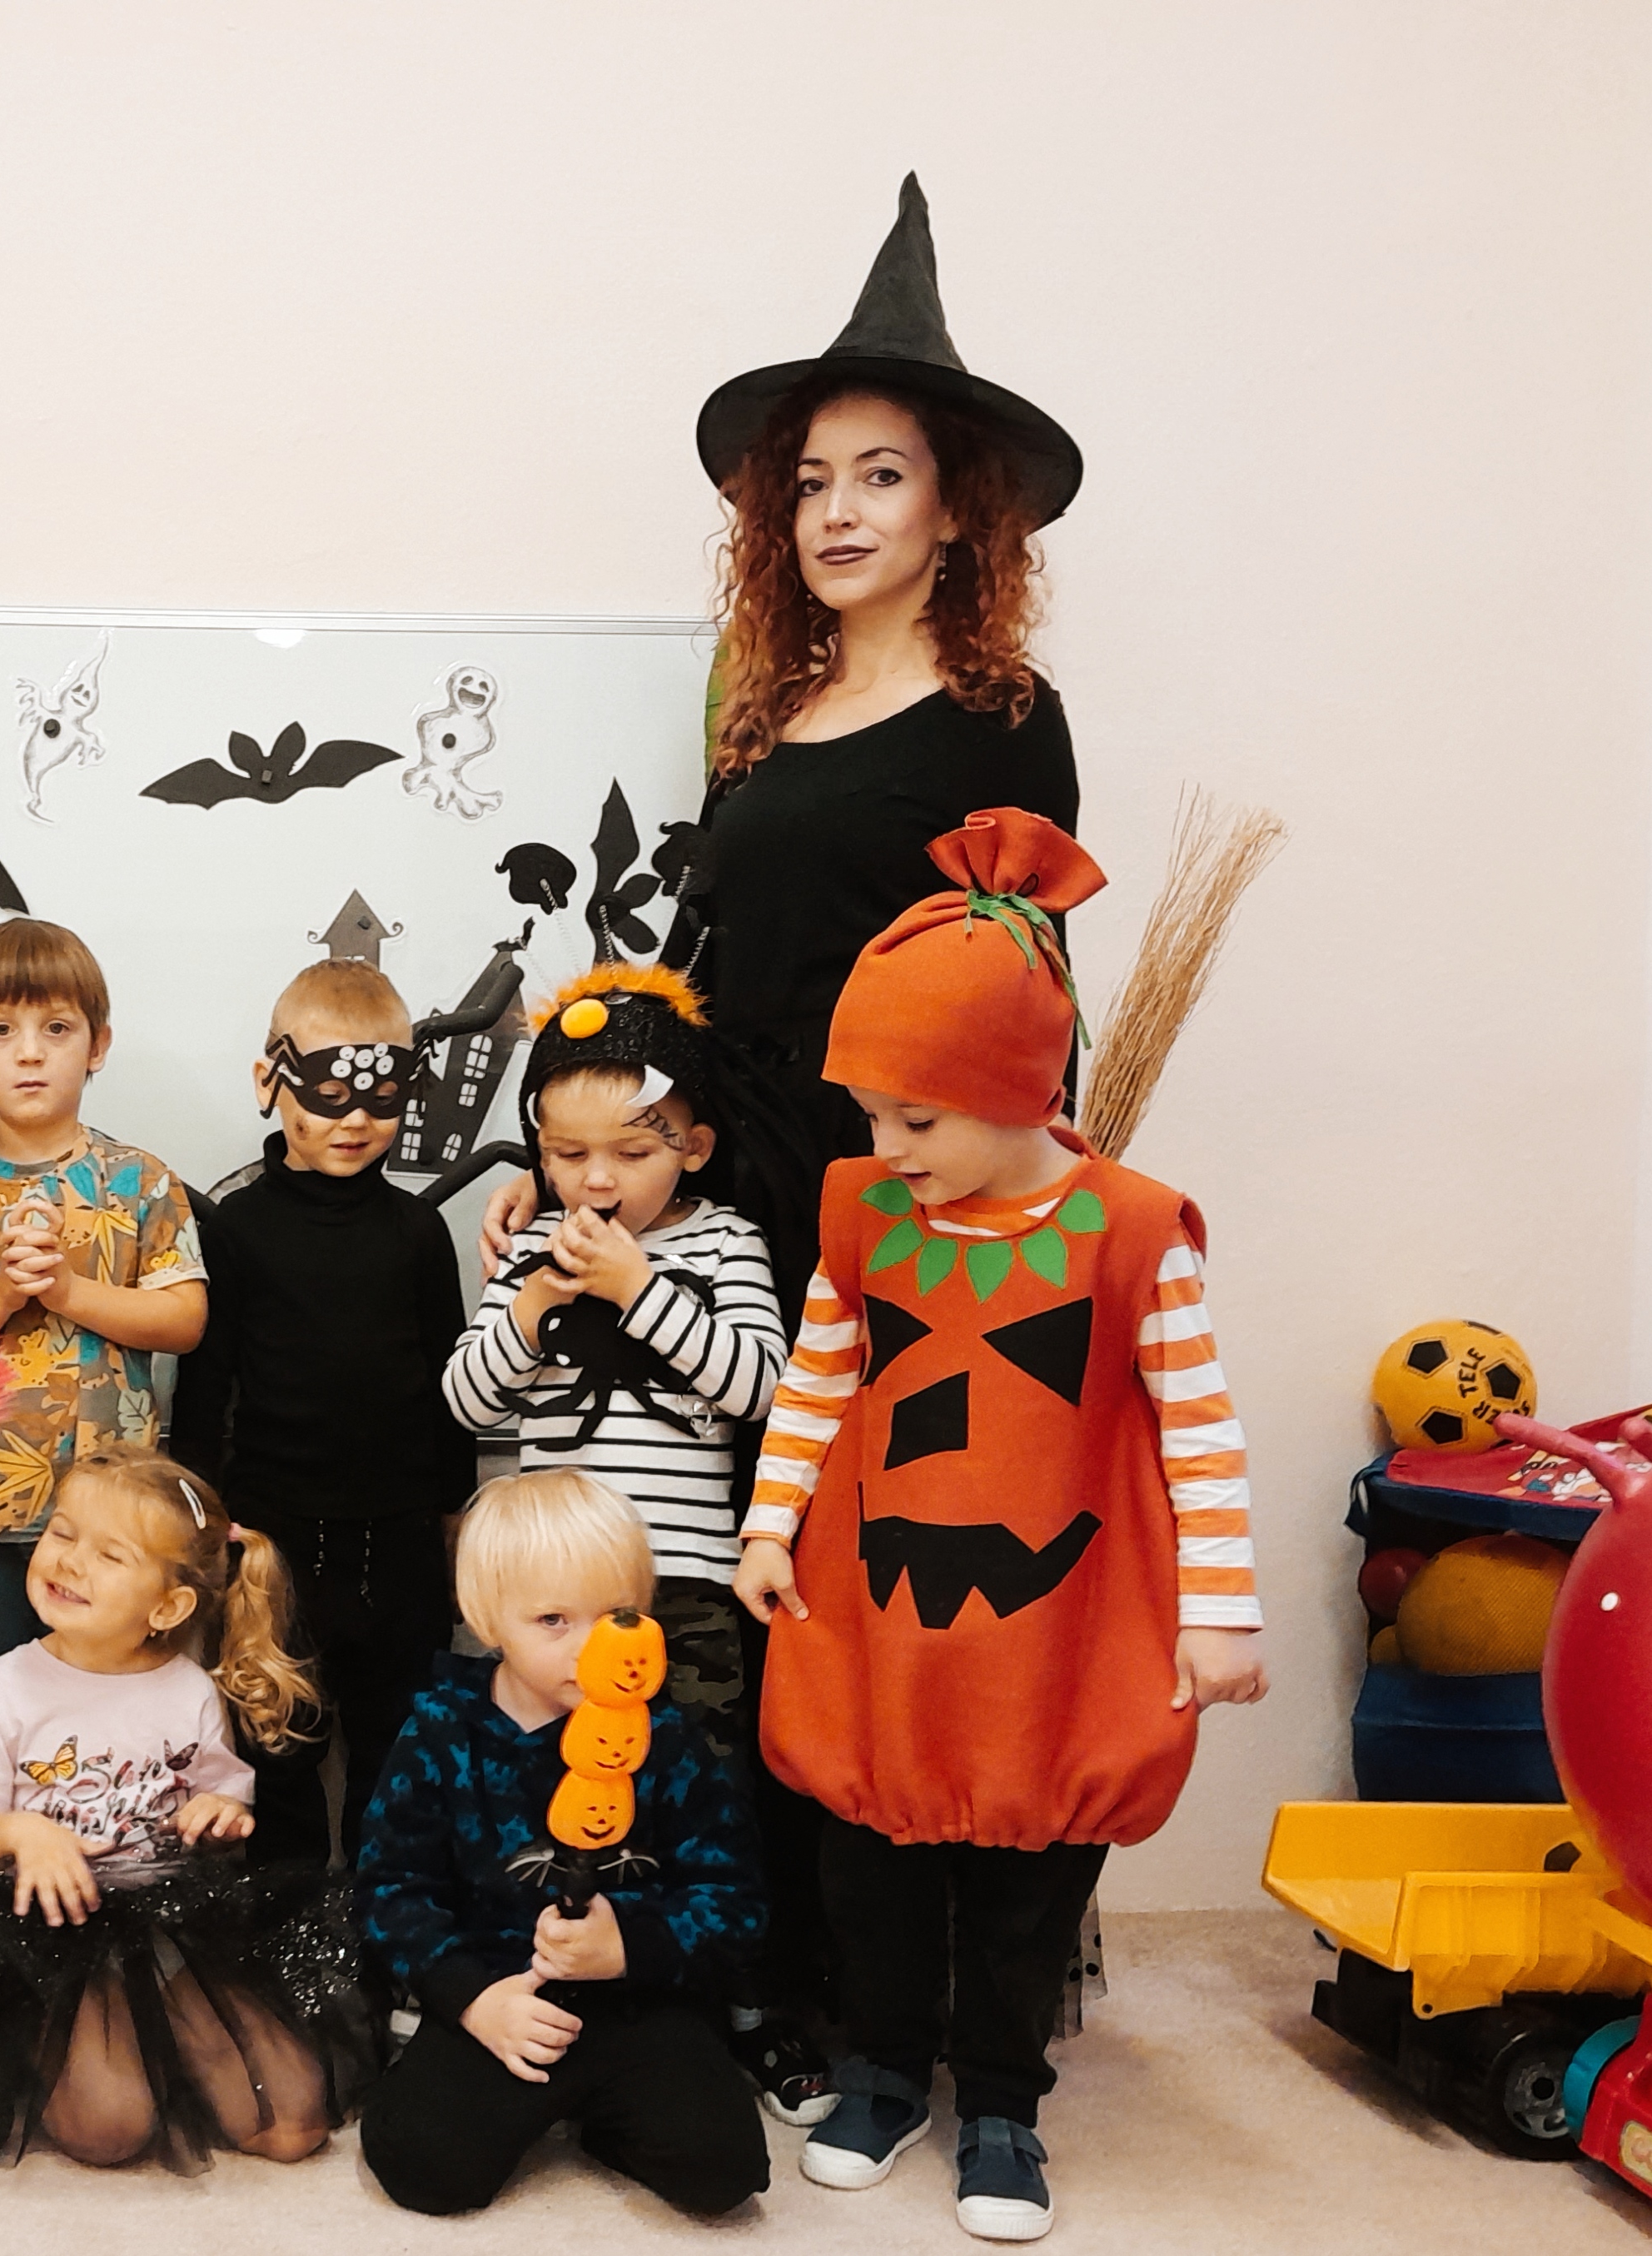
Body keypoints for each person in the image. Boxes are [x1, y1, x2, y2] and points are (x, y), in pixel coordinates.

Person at [481, 170, 1090, 2059]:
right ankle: (740, 1962)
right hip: (728, 1207)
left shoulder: (1002, 716)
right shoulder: (768, 709)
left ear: (955, 507)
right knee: (734, 1588)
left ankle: (880, 1999)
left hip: (894, 1208)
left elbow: (1019, 999)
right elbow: (700, 977)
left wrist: (992, 1219)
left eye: (879, 475)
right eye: (811, 480)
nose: (836, 509)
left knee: (872, 1581)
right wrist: (571, 1177)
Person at [735, 809, 1268, 2243]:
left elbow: (1198, 1432)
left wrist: (1219, 1608)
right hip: (881, 1604)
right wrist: (772, 1522)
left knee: (1028, 1877)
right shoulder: (864, 1215)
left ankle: (1001, 2100)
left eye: (918, 1119)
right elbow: (819, 1379)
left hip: (1061, 1622)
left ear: (1024, 1090)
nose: (887, 1146)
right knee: (872, 1858)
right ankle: (880, 2070)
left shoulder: (1132, 1232)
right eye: (871, 1116)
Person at [0, 1445, 373, 2174]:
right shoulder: (1, 1688)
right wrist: (23, 1832)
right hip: (39, 1935)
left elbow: (221, 1800)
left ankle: (155, 2034)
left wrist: (220, 1813)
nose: (71, 1560)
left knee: (292, 2123)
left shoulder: (189, 1688)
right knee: (108, 2133)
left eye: (109, 1554)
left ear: (168, 1606)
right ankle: (42, 2034)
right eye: (62, 1532)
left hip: (168, 1925)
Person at [440, 960, 820, 2119]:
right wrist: (532, 1306)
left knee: (702, 1799)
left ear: (693, 1148)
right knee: (537, 1789)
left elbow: (763, 1388)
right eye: (567, 1154)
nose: (597, 1179)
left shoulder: (728, 1243)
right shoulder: (530, 1249)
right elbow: (466, 1400)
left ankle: (743, 2002)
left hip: (683, 1590)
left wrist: (639, 1284)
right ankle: (536, 1977)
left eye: (632, 1151)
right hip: (546, 1591)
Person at [354, 1469, 769, 2219]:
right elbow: (391, 1890)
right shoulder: (443, 1730)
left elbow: (735, 1899)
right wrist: (472, 1998)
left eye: (614, 1617)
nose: (587, 1646)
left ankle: (606, 2124)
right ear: (488, 1621)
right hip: (502, 1993)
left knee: (723, 2172)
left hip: (638, 2001)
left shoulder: (668, 1739)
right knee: (421, 2166)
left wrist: (630, 1946)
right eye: (552, 1619)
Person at [170, 957, 473, 1865]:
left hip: (402, 1545)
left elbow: (449, 1382)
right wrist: (203, 1519)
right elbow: (207, 1386)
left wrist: (455, 1515)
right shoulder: (236, 1230)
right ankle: (285, 1930)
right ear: (272, 1082)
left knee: (399, 1753)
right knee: (276, 1755)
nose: (355, 1119)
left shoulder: (420, 1232)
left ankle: (391, 1925)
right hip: (272, 1544)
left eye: (382, 1100)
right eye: (330, 1095)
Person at [0, 919, 207, 1673]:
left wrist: (67, 1290)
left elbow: (184, 1319)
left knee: (108, 1695)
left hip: (116, 1517)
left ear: (98, 1044)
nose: (30, 1052)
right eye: (1, 1030)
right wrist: (3, 1294)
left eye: (57, 1028)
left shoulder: (142, 1182)